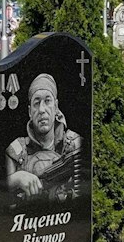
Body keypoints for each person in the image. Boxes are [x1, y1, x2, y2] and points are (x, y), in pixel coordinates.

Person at [5, 72, 81, 202]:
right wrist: (15, 179)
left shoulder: (74, 144)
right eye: (36, 103)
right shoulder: (16, 151)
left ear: (56, 107)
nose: (42, 109)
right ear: (30, 111)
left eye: (47, 101)